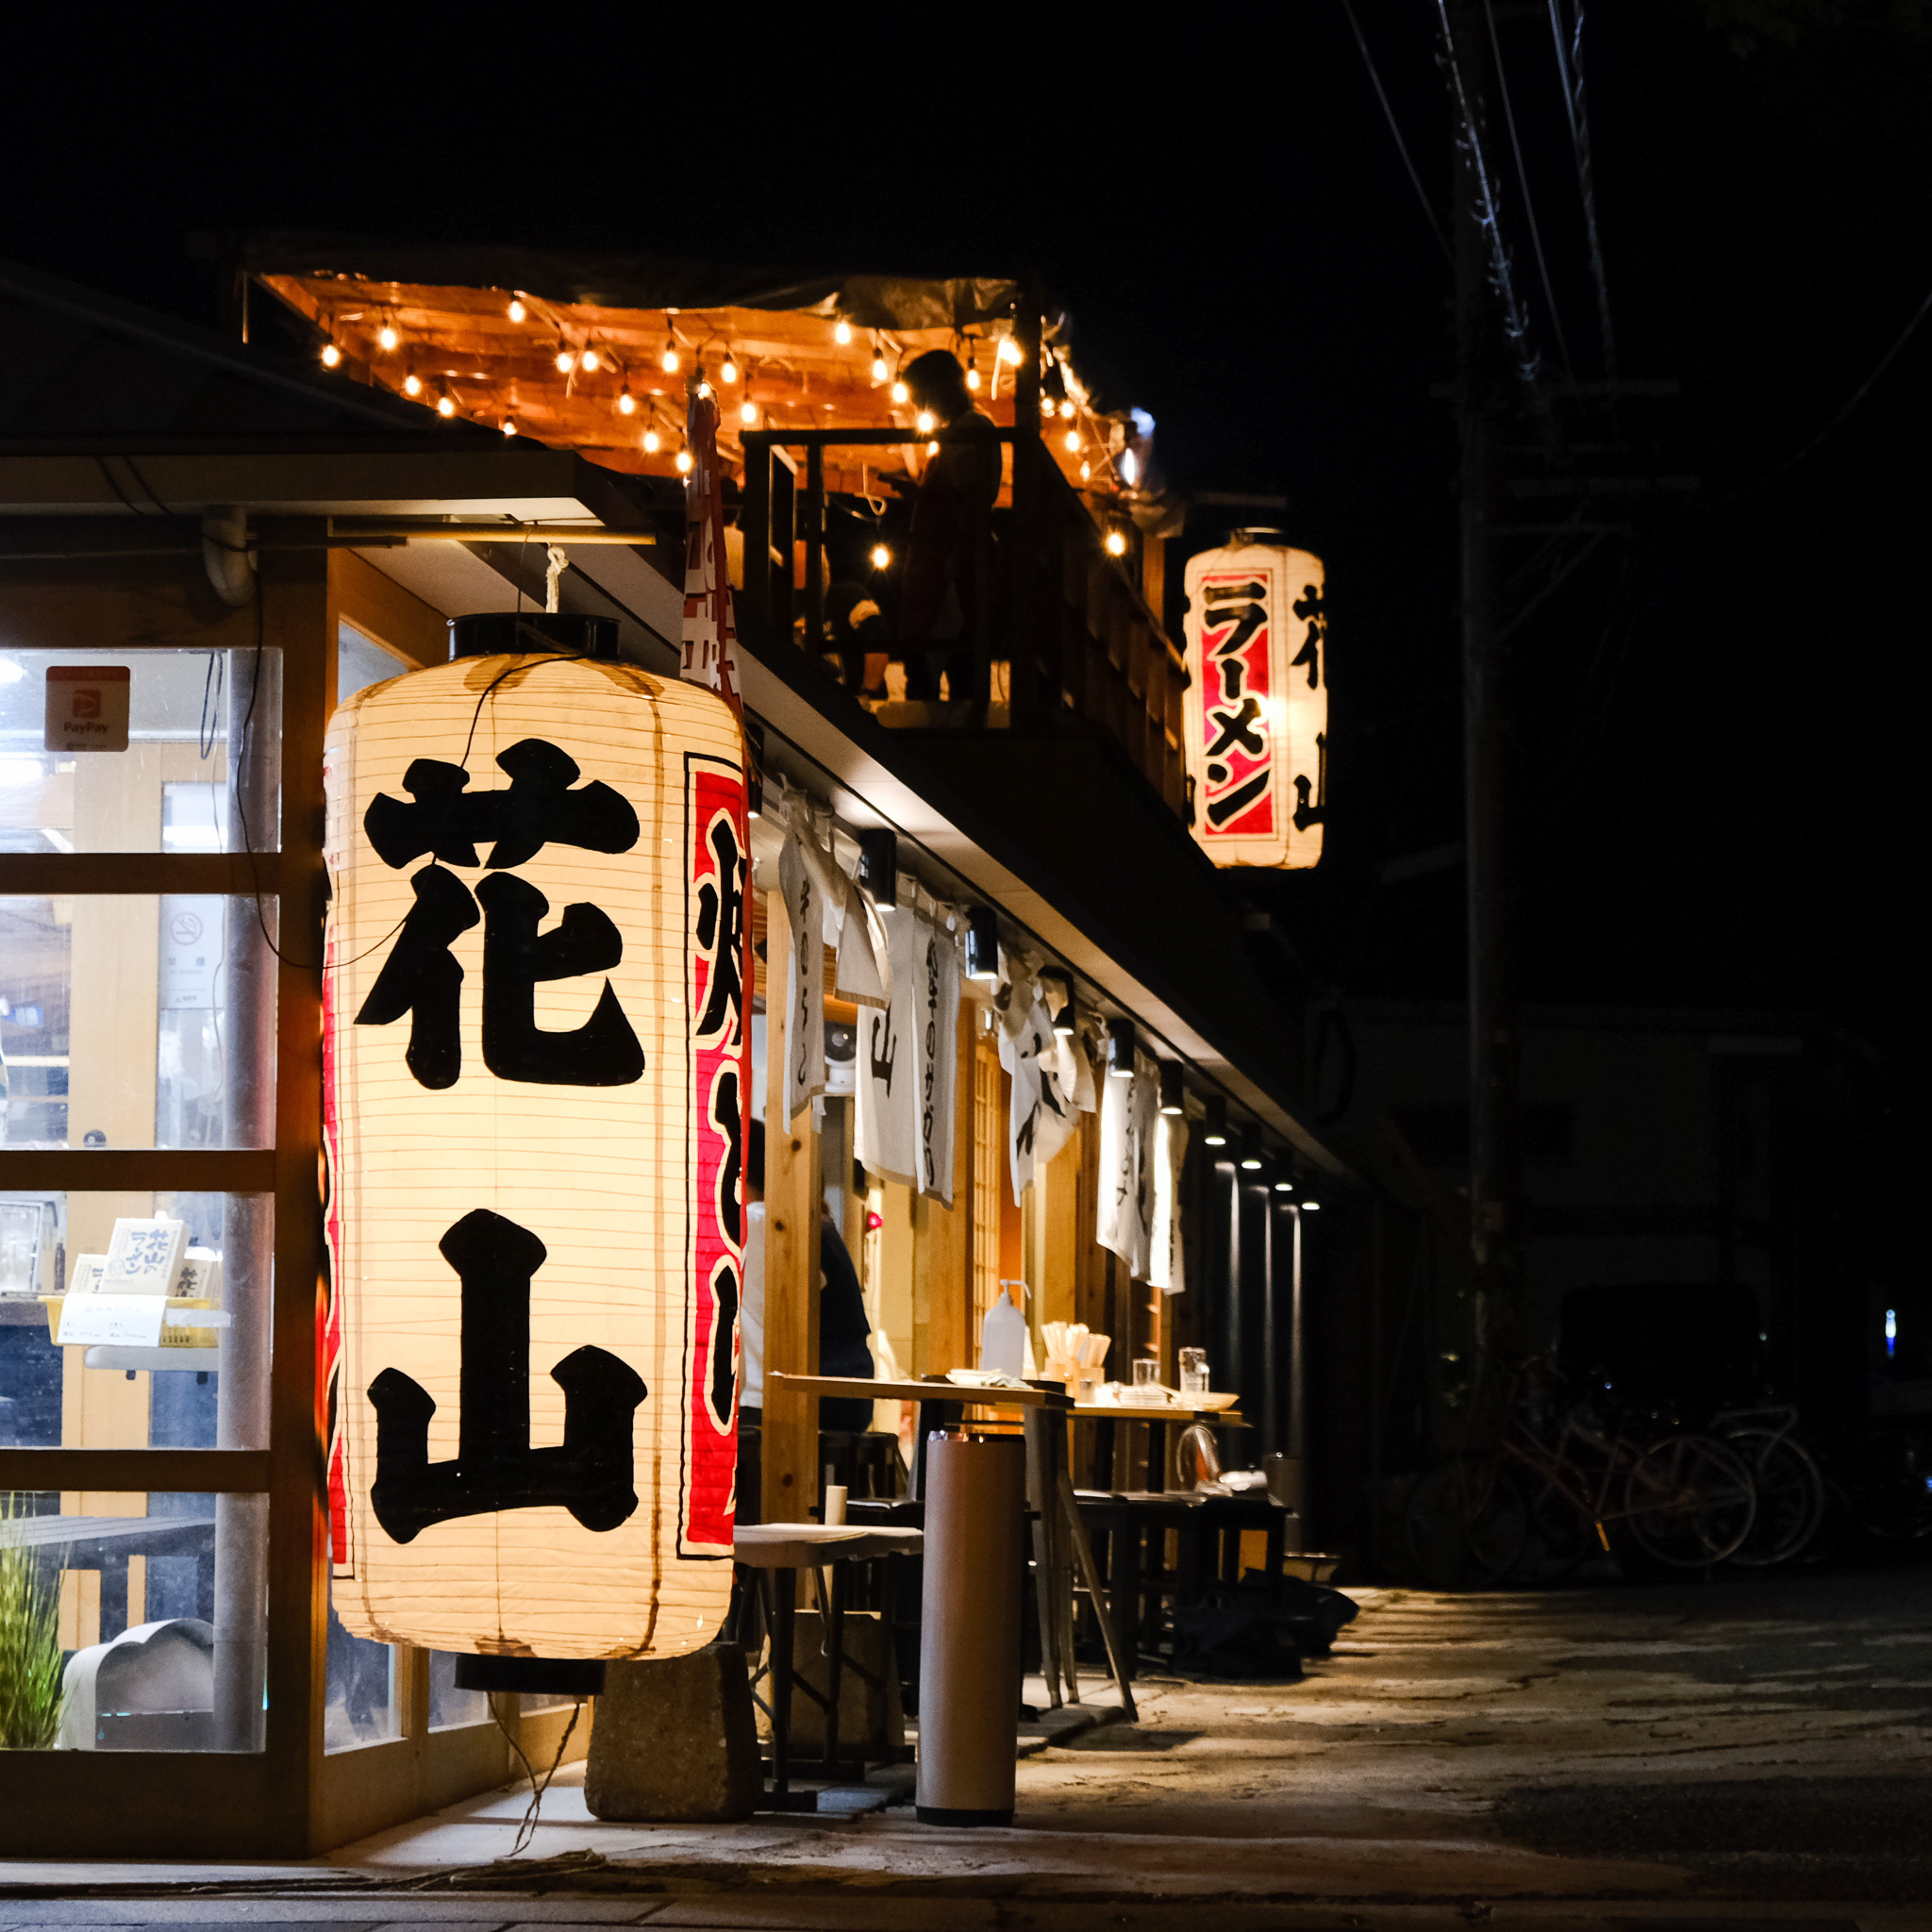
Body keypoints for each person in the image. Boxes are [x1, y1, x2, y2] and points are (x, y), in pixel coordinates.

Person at [897, 348, 1001, 702]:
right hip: (944, 569)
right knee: (951, 673)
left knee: (937, 672)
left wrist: (953, 561)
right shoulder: (966, 430)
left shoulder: (971, 430)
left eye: (920, 396)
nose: (920, 406)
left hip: (945, 572)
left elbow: (969, 503)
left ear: (938, 387)